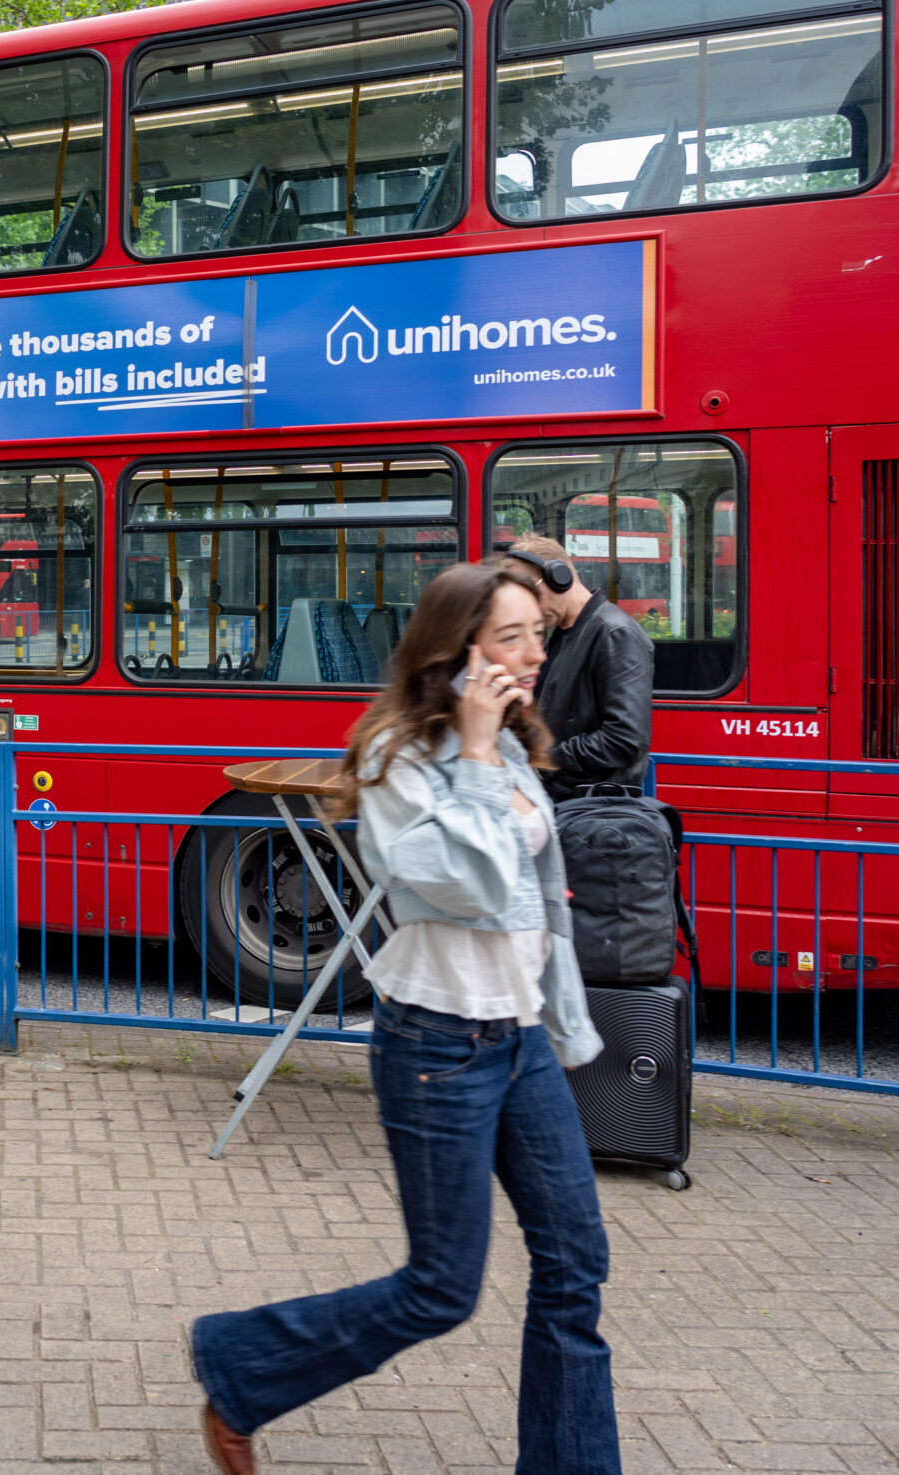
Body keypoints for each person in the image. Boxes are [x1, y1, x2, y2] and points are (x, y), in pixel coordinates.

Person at [189, 559, 612, 1475]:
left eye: (538, 631)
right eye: (512, 636)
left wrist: (563, 1025)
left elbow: (541, 901)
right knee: (441, 1290)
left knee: (577, 1265)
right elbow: (467, 885)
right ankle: (240, 1363)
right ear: (457, 650)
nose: (536, 652)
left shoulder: (504, 745)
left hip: (516, 1038)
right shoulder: (394, 762)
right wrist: (470, 751)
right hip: (438, 1044)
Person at [504, 535, 654, 800]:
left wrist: (546, 759)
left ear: (557, 578)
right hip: (563, 798)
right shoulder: (562, 634)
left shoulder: (614, 633)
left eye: (530, 596)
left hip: (592, 809)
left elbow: (625, 739)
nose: (528, 610)